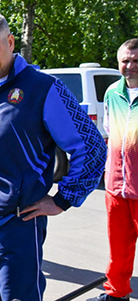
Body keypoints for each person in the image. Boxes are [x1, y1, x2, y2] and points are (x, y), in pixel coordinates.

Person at [0, 12, 107, 301]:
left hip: (18, 223)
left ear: (10, 42)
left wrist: (63, 199)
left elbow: (91, 146)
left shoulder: (43, 87)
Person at [87, 38, 138, 301]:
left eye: (135, 61)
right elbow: (109, 132)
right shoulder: (111, 93)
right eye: (125, 61)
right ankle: (117, 295)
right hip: (116, 185)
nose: (129, 66)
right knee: (118, 248)